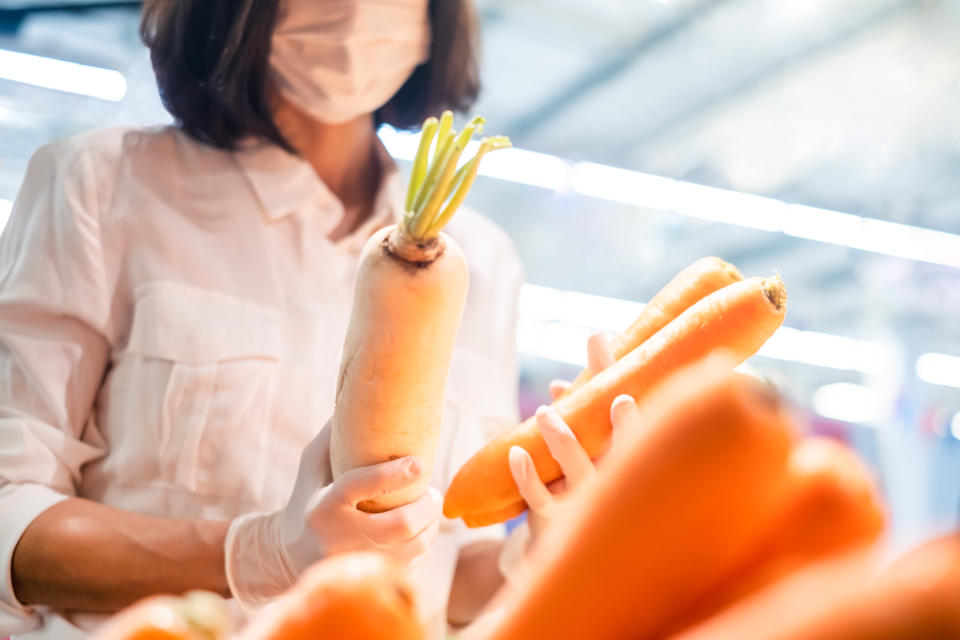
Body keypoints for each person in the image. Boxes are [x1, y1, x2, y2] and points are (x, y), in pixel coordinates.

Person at [0, 0, 638, 638]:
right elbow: (11, 512)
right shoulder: (101, 186)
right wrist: (256, 553)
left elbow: (449, 576)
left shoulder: (483, 258)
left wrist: (540, 546)